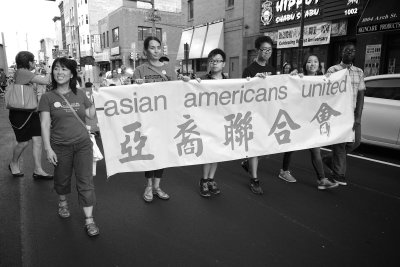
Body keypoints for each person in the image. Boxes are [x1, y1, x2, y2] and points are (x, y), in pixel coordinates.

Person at [38, 57, 99, 237]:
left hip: (83, 145)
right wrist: (48, 149)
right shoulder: (47, 97)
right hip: (60, 146)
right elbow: (44, 124)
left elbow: (89, 115)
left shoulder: (79, 94)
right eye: (56, 69)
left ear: (71, 73)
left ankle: (89, 220)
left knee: (85, 181)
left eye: (64, 69)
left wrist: (96, 97)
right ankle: (63, 201)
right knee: (62, 179)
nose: (59, 72)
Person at [277, 55, 338, 190]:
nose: (312, 64)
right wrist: (291, 76)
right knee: (291, 146)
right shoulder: (300, 78)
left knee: (315, 149)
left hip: (313, 121)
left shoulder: (323, 80)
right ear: (305, 65)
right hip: (299, 119)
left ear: (319, 65)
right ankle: (284, 171)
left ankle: (322, 179)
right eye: (309, 62)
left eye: (315, 61)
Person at [133, 36, 177, 203]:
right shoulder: (140, 70)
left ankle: (157, 186)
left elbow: (177, 93)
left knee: (162, 154)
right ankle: (149, 186)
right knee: (149, 153)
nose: (156, 50)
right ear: (145, 51)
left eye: (158, 47)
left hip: (165, 120)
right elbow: (131, 96)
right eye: (152, 47)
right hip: (147, 121)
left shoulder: (170, 70)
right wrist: (135, 85)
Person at [323, 42, 366, 186]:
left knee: (355, 142)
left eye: (353, 51)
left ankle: (330, 159)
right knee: (340, 145)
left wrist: (358, 116)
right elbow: (325, 92)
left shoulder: (359, 72)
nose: (350, 52)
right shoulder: (333, 70)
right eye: (347, 50)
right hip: (338, 114)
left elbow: (361, 95)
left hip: (352, 113)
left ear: (355, 54)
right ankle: (338, 174)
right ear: (341, 53)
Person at [8, 51, 53, 180]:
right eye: (33, 61)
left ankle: (38, 170)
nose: (35, 63)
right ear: (29, 62)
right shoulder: (23, 72)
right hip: (19, 114)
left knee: (37, 140)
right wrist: (48, 69)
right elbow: (46, 81)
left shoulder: (23, 73)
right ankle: (14, 163)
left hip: (31, 112)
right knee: (23, 143)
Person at [241, 36, 276, 195]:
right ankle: (254, 180)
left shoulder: (273, 69)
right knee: (255, 148)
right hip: (254, 115)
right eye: (264, 50)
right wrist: (253, 81)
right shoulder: (249, 70)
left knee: (268, 148)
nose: (267, 52)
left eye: (270, 50)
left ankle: (248, 163)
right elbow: (243, 91)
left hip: (268, 113)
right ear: (258, 50)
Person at [197, 48, 228, 197]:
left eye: (218, 61)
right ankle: (204, 180)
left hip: (222, 123)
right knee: (208, 152)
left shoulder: (230, 82)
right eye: (212, 61)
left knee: (217, 153)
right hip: (207, 122)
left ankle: (211, 179)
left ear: (224, 64)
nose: (214, 63)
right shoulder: (202, 80)